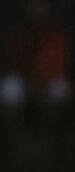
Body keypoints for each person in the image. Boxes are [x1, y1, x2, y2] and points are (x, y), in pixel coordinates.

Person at [1, 0, 71, 155]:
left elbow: (60, 62)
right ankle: (21, 141)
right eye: (34, 7)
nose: (37, 10)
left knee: (61, 90)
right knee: (7, 90)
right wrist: (27, 79)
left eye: (41, 7)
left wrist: (45, 79)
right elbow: (13, 61)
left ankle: (46, 140)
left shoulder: (56, 32)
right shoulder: (20, 31)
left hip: (49, 78)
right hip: (25, 78)